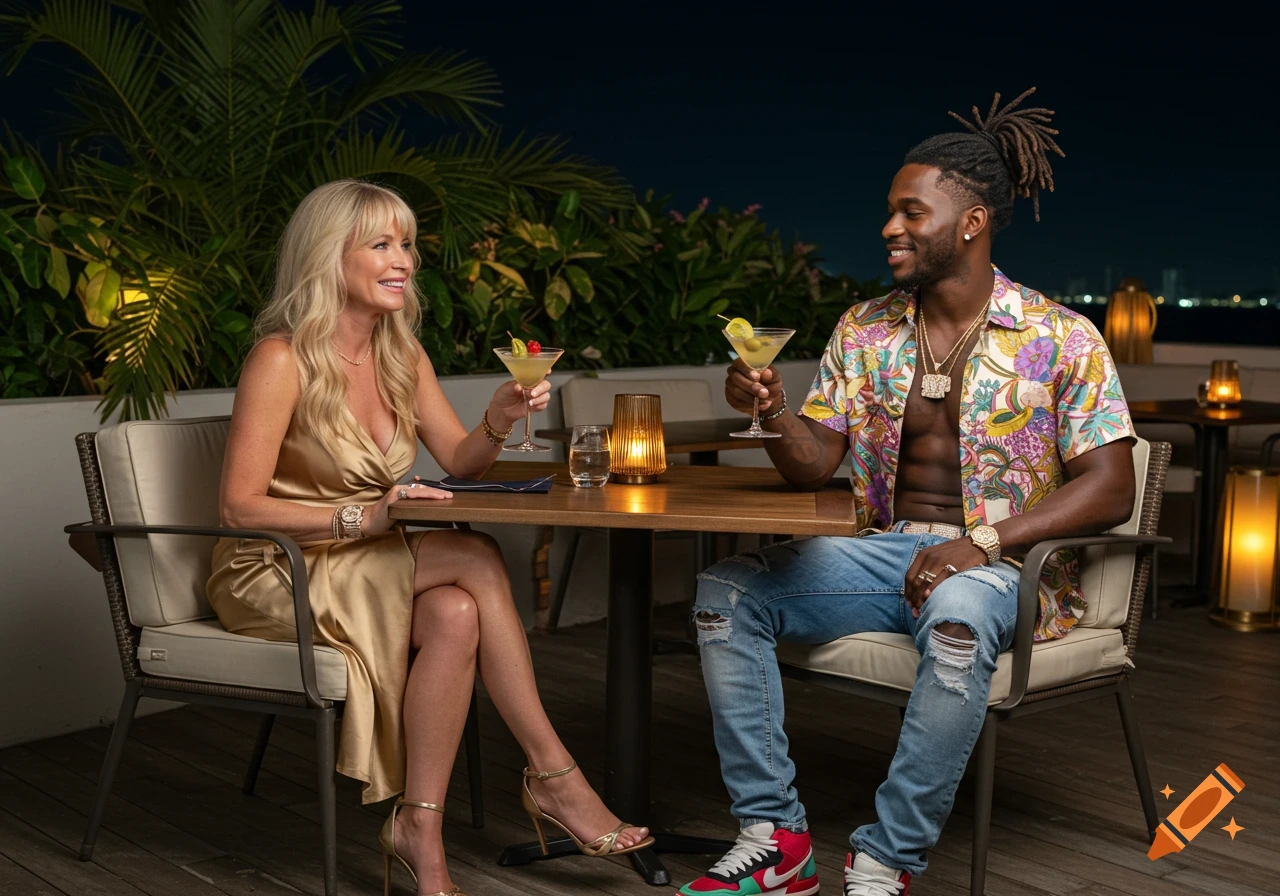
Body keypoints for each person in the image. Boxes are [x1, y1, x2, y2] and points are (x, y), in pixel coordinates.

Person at [680, 90, 1137, 896]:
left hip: (1004, 569)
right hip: (885, 556)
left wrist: (979, 545)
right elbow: (815, 463)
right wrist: (774, 409)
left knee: (959, 622)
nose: (890, 228)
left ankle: (886, 858)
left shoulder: (1060, 336)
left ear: (970, 223)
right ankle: (775, 837)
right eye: (889, 213)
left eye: (909, 213)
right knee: (725, 592)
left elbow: (1110, 487)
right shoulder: (864, 330)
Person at [207, 179, 651, 896]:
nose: (404, 260)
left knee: (456, 611)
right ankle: (554, 777)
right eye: (381, 244)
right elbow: (237, 509)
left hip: (367, 555)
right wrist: (361, 518)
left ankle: (420, 827)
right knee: (474, 555)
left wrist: (501, 416)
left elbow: (463, 460)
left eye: (407, 244)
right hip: (278, 563)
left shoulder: (399, 352)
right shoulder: (280, 359)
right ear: (330, 256)